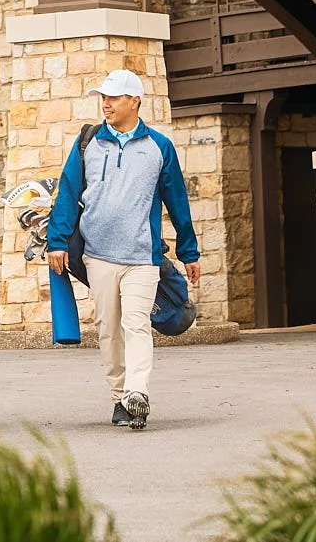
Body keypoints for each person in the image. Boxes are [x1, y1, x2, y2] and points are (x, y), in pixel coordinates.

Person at [45, 68, 201, 432]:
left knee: (136, 324)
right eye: (104, 97)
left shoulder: (159, 147)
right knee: (108, 329)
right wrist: (56, 242)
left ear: (135, 101)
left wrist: (188, 252)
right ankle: (119, 398)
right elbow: (67, 193)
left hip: (141, 258)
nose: (106, 103)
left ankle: (137, 393)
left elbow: (177, 201)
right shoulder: (88, 142)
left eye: (114, 97)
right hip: (97, 255)